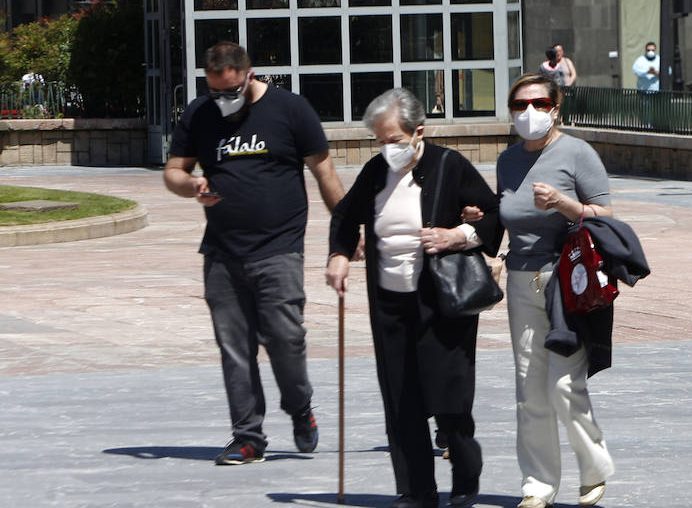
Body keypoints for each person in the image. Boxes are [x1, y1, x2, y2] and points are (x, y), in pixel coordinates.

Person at [163, 42, 344, 464]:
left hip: (279, 248)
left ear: (248, 76)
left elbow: (324, 170)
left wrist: (347, 227)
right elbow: (174, 171)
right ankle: (248, 436)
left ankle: (300, 409)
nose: (223, 100)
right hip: (222, 253)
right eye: (215, 92)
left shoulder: (290, 109)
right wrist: (190, 186)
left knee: (285, 340)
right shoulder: (199, 114)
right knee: (235, 348)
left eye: (230, 90)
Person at [326, 88, 501, 508]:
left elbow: (493, 215)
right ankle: (416, 489)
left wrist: (458, 235)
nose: (387, 149)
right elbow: (346, 216)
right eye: (380, 141)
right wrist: (338, 255)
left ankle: (465, 478)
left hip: (442, 300)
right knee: (401, 398)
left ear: (418, 131)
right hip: (390, 302)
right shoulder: (374, 172)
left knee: (450, 396)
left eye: (394, 140)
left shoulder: (448, 166)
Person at [498, 74, 615, 508]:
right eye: (519, 105)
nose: (529, 111)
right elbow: (506, 213)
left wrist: (566, 205)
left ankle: (594, 470)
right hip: (520, 279)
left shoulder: (576, 152)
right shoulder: (507, 161)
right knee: (530, 390)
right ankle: (537, 486)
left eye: (539, 102)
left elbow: (605, 214)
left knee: (566, 385)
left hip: (568, 281)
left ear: (556, 107)